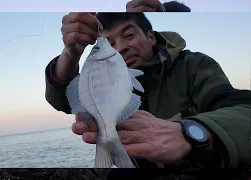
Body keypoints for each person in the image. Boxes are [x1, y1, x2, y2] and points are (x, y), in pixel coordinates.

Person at [44, 4, 251, 180]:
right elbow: (65, 100)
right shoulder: (109, 77)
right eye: (111, 43)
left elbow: (245, 112)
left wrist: (192, 134)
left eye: (129, 35)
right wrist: (70, 55)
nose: (121, 48)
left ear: (151, 37)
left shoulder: (193, 65)